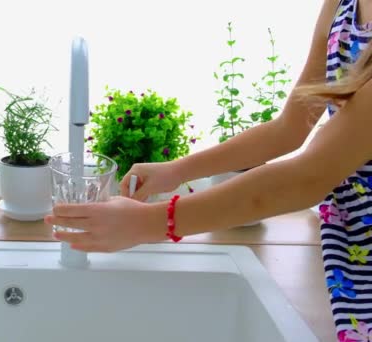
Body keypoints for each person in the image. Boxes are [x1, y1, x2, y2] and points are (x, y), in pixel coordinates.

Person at [45, 0, 372, 339]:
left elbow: (307, 178)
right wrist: (178, 170)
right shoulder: (342, 6)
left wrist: (148, 222)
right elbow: (290, 127)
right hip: (348, 262)